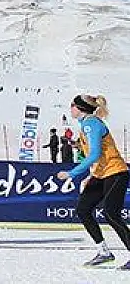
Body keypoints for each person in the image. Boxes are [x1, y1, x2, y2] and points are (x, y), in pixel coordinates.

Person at [56, 95, 130, 269]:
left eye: (72, 105)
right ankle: (103, 252)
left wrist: (72, 173)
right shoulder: (86, 124)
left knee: (111, 213)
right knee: (83, 210)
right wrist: (80, 149)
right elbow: (96, 151)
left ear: (80, 108)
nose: (70, 109)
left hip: (115, 172)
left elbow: (95, 154)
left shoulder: (91, 124)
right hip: (101, 173)